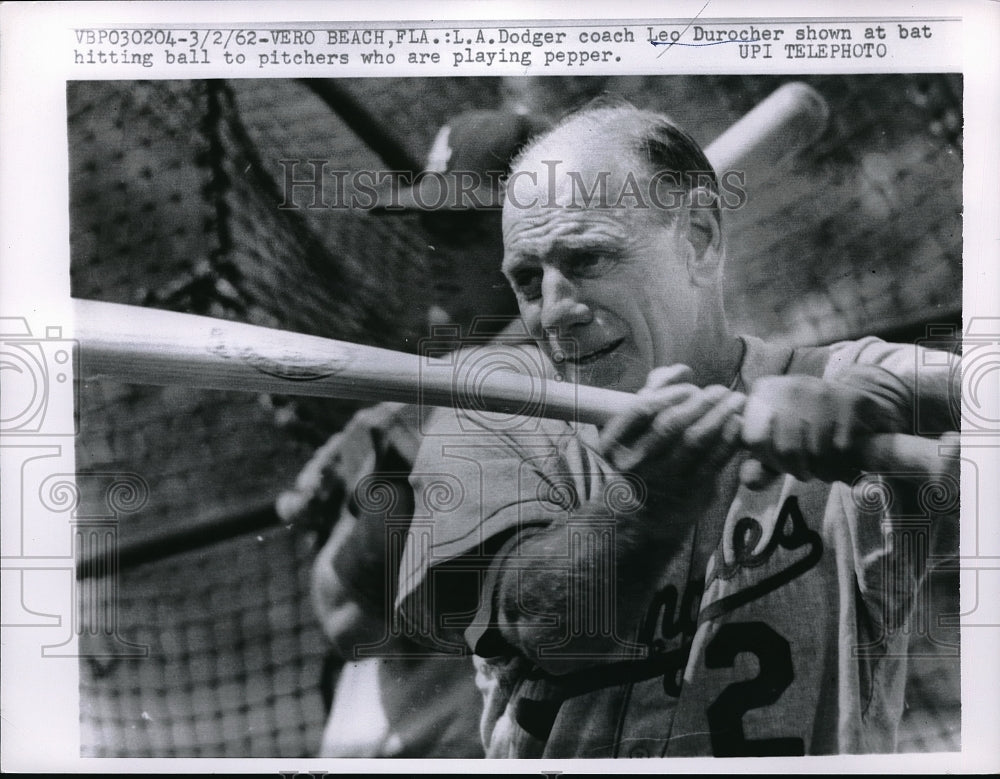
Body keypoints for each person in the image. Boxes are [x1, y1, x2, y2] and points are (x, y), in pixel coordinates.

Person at [396, 100, 961, 758]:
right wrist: (647, 502)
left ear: (697, 238)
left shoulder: (844, 378)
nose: (552, 312)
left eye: (585, 259)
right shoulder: (489, 408)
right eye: (527, 278)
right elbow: (544, 625)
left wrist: (887, 447)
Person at [276, 109, 537, 757]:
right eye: (429, 224)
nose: (433, 248)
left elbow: (349, 617)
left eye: (462, 226)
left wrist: (378, 473)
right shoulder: (442, 393)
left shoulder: (485, 412)